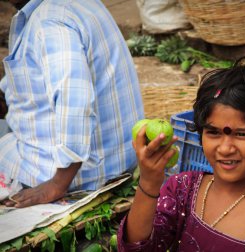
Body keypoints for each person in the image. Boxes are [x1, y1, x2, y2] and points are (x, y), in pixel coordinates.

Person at [117, 49, 245, 251]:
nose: (225, 148)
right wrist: (149, 182)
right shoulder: (183, 190)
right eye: (213, 132)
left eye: (242, 134)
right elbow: (138, 247)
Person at [0, 0, 144, 208]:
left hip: (83, 172)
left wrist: (57, 184)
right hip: (119, 159)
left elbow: (75, 101)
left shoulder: (51, 21)